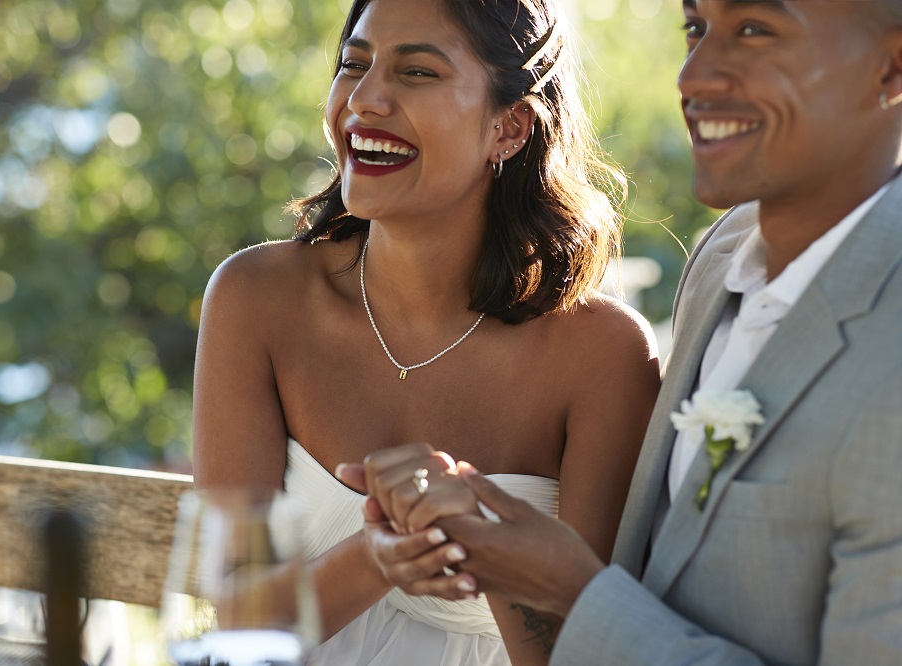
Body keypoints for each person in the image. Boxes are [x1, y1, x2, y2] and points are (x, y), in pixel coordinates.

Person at [340, 0, 902, 663]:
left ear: (891, 67)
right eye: (695, 29)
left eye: (755, 30)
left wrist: (575, 593)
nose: (693, 77)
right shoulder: (723, 258)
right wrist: (495, 546)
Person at [191, 0, 661, 663]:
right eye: (354, 64)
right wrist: (382, 557)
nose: (365, 99)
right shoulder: (254, 298)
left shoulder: (606, 355)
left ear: (510, 127)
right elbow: (238, 623)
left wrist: (480, 544)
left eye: (416, 73)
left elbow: (585, 656)